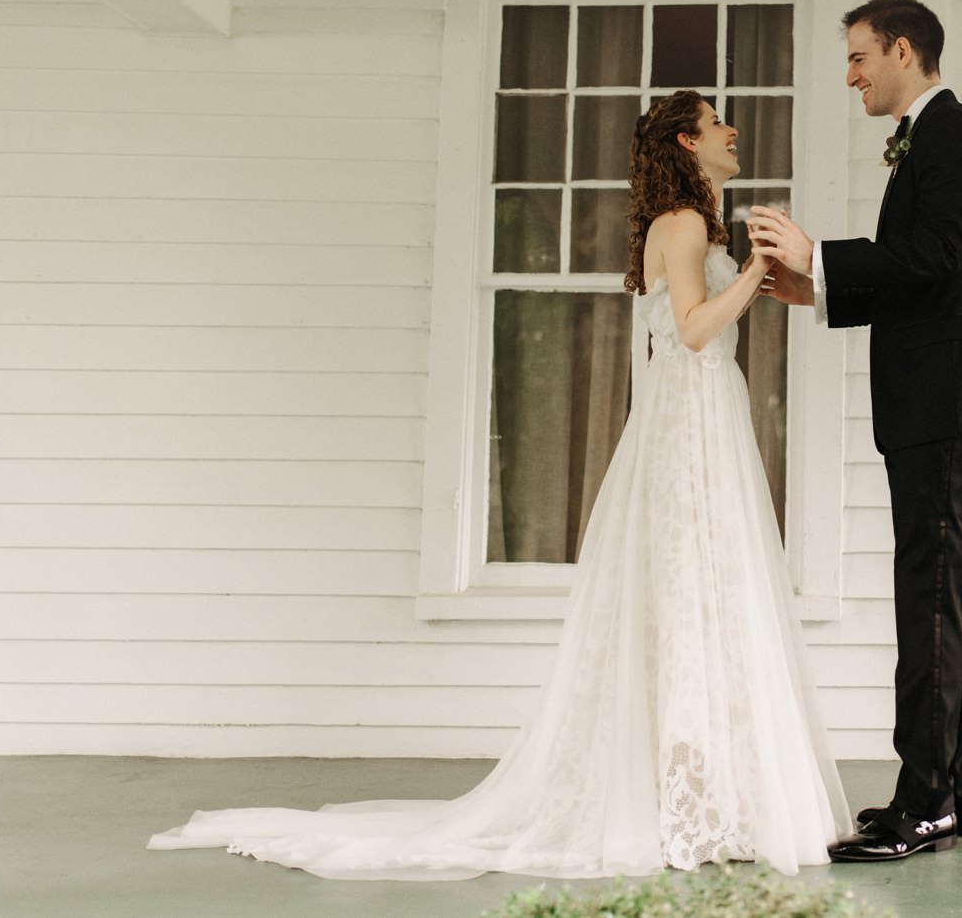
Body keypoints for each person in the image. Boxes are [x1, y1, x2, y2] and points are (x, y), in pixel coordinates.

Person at [149, 89, 850, 880]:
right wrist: (758, 268)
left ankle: (711, 793)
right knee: (688, 597)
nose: (733, 129)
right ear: (688, 143)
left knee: (704, 597)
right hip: (688, 424)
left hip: (704, 419)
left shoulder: (696, 223)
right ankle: (693, 801)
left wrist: (764, 273)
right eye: (717, 120)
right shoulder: (684, 225)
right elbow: (691, 330)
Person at [750, 0, 962, 863]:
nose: (851, 75)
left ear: (903, 51)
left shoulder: (959, 135)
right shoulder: (933, 139)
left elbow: (939, 258)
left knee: (930, 594)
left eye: (860, 57)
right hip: (940, 399)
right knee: (950, 591)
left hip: (948, 402)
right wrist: (821, 290)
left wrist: (818, 255)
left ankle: (927, 802)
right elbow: (923, 278)